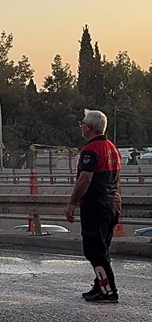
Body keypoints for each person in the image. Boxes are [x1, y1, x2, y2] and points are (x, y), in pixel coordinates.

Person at [65, 109, 121, 303]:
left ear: (89, 127)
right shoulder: (112, 147)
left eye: (82, 123)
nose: (81, 126)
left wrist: (72, 203)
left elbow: (85, 179)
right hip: (112, 203)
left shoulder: (90, 150)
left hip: (96, 205)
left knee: (93, 250)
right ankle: (100, 286)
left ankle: (108, 291)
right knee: (102, 248)